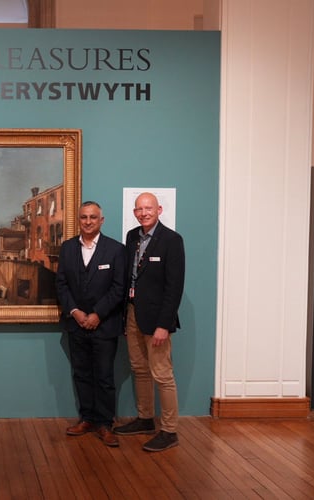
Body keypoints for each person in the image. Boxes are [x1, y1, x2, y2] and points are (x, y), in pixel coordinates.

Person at [113, 192, 185, 452]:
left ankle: (169, 431)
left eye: (149, 208)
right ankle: (145, 419)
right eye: (139, 209)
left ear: (159, 210)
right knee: (139, 369)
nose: (144, 213)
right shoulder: (132, 237)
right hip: (132, 313)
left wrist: (164, 325)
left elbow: (174, 286)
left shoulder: (172, 241)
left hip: (157, 320)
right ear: (134, 212)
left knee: (162, 375)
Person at [56, 201, 127, 447]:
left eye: (93, 217)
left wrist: (97, 314)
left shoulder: (116, 250)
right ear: (78, 220)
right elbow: (61, 285)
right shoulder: (66, 249)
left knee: (105, 377)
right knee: (82, 374)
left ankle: (105, 424)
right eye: (84, 217)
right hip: (76, 325)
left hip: (105, 326)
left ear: (101, 220)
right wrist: (75, 311)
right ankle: (87, 419)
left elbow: (119, 288)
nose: (88, 221)